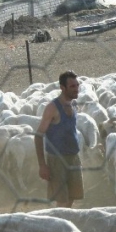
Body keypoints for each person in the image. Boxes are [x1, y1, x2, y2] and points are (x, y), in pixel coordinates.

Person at [34, 70, 84, 208]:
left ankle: (65, 224)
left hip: (73, 156)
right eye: (72, 86)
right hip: (57, 160)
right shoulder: (52, 108)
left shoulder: (74, 105)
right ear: (62, 88)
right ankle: (59, 226)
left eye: (77, 85)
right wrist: (42, 165)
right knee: (61, 200)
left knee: (72, 197)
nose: (76, 89)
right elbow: (38, 135)